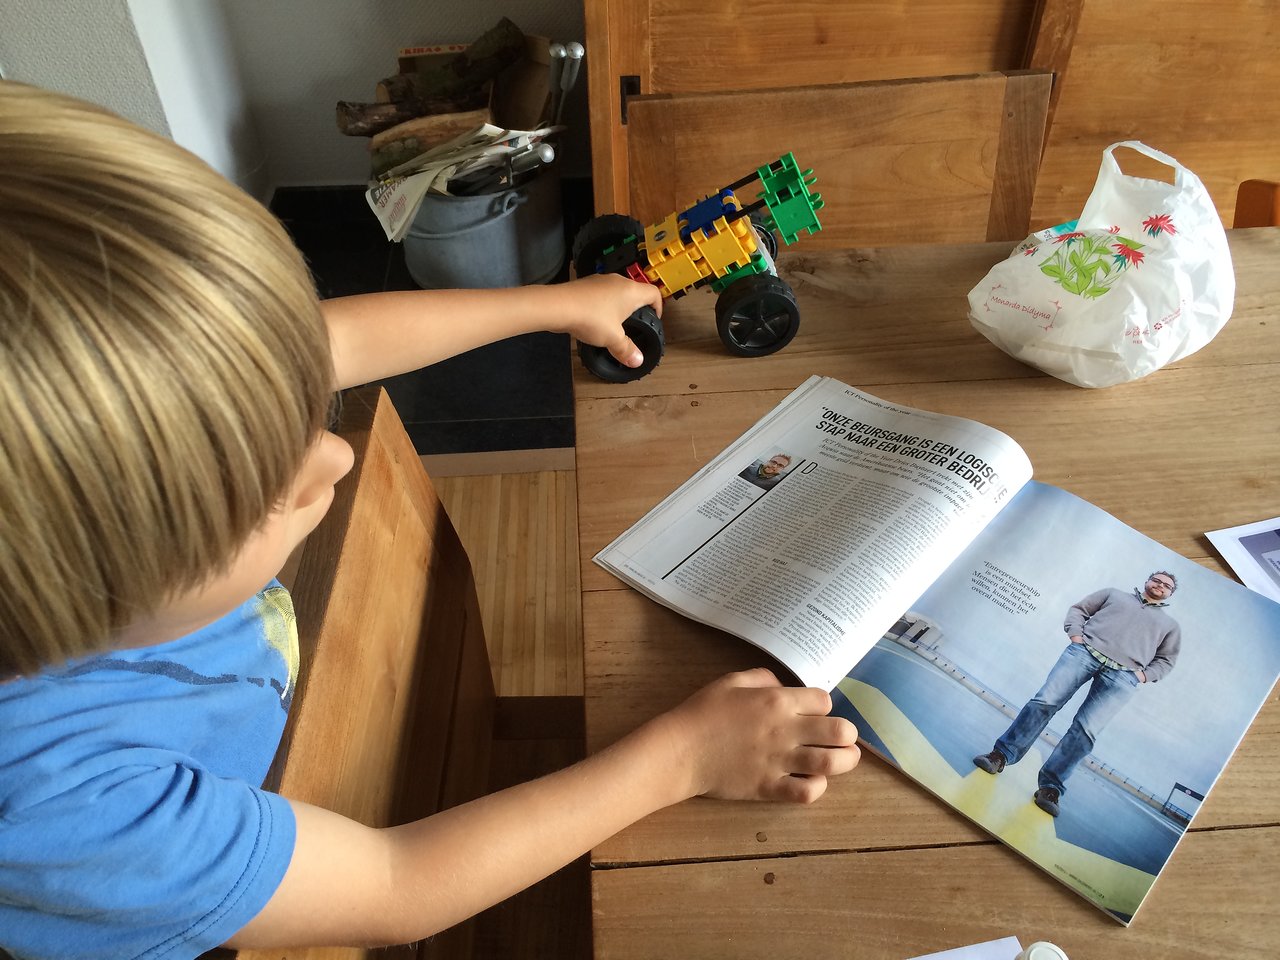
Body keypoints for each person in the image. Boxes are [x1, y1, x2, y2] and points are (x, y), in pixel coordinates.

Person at [0, 82, 862, 958]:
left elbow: (332, 341)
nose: (335, 455)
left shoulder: (82, 546)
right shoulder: (72, 818)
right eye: (262, 489)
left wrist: (550, 304)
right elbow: (393, 885)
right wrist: (684, 759)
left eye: (300, 402)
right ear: (78, 592)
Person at [972, 572, 1182, 817]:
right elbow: (1079, 610)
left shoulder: (1170, 626)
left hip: (1124, 676)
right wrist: (1076, 637)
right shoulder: (1113, 594)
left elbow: (1166, 660)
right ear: (1147, 581)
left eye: (1166, 586)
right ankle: (1000, 756)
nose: (1160, 586)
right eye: (1157, 580)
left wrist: (1142, 676)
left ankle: (1050, 788)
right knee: (1044, 702)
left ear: (1169, 594)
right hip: (1083, 653)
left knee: (1086, 731)